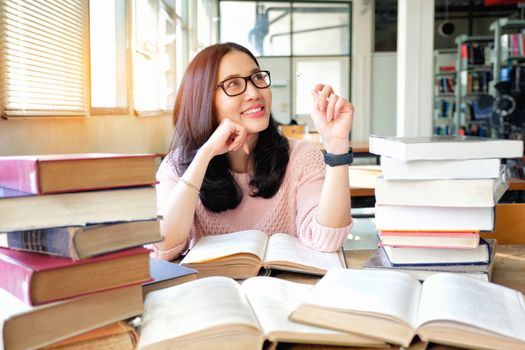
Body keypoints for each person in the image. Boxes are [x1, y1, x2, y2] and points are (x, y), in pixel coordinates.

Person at [151, 42, 354, 260]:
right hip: (214, 291)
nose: (254, 92)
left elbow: (326, 240)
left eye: (257, 78)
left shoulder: (302, 157)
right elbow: (164, 248)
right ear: (204, 100)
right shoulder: (175, 165)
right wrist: (206, 153)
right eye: (233, 84)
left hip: (285, 291)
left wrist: (336, 143)